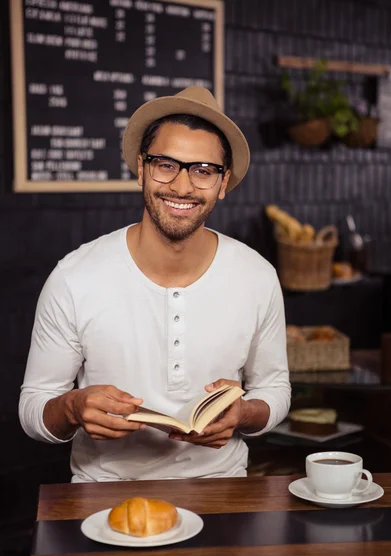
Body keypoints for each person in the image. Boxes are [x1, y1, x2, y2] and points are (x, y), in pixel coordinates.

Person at [19, 86, 290, 482]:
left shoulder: (258, 276)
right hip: (103, 492)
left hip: (222, 489)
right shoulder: (74, 277)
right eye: (166, 164)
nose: (182, 187)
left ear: (222, 182)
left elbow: (275, 387)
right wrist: (73, 408)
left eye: (203, 170)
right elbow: (33, 408)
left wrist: (245, 413)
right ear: (142, 168)